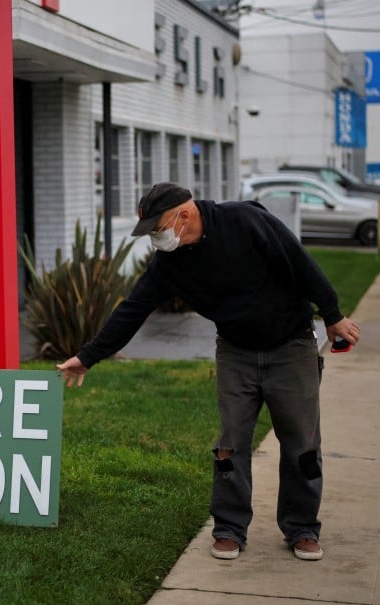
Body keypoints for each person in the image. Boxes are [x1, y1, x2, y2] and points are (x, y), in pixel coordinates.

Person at [57, 182, 360, 562]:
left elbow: (300, 262)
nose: (156, 236)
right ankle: (230, 528)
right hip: (235, 351)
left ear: (184, 215)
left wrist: (332, 315)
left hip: (291, 346)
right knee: (230, 444)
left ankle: (301, 527)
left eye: (158, 226)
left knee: (302, 442)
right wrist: (88, 356)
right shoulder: (171, 263)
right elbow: (133, 309)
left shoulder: (245, 221)